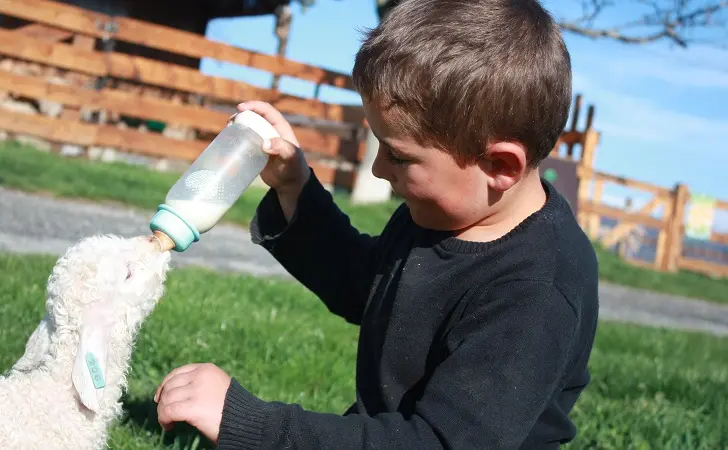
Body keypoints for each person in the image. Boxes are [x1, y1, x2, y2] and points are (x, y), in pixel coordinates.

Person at [153, 0, 599, 448]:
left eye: (400, 155)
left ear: (499, 165)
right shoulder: (444, 215)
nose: (378, 170)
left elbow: (437, 443)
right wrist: (297, 188)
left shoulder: (536, 291)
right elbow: (366, 284)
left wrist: (251, 424)